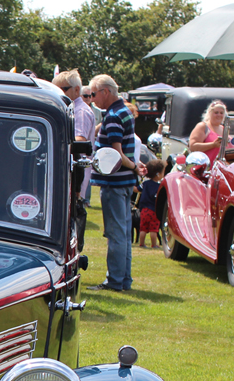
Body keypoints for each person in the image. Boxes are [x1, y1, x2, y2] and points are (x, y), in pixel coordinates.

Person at [90, 74, 145, 292]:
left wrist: (134, 166)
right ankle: (124, 280)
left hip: (114, 182)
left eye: (94, 94)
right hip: (124, 182)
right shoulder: (124, 112)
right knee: (123, 233)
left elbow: (116, 154)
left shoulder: (113, 116)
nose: (92, 99)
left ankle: (114, 281)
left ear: (105, 92)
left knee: (115, 235)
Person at [54, 69, 94, 250]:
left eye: (62, 89)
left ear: (77, 90)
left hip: (75, 176)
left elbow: (78, 142)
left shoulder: (80, 112)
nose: (59, 93)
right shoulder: (70, 110)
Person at [188, 99, 227, 165]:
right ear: (209, 113)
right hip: (205, 167)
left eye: (221, 113)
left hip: (219, 168)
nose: (219, 115)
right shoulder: (203, 126)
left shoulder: (224, 129)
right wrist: (213, 145)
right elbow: (192, 147)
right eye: (216, 112)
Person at [137, 165, 162, 249]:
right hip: (154, 211)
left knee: (143, 228)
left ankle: (141, 243)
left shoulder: (145, 183)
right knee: (153, 229)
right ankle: (154, 244)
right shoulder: (159, 186)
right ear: (158, 174)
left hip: (144, 210)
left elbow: (137, 189)